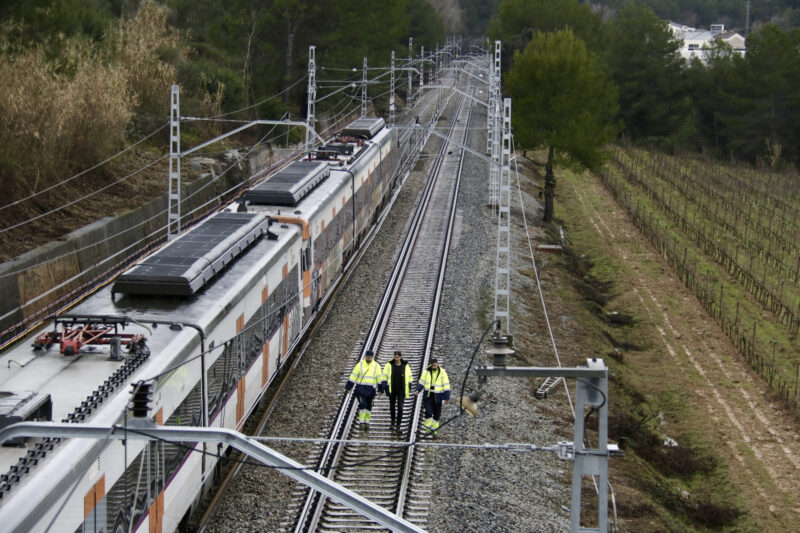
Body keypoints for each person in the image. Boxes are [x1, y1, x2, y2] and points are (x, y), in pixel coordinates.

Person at [345, 349, 382, 428]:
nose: (368, 358)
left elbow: (379, 378)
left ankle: (367, 422)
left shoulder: (376, 366)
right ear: (365, 356)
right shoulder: (360, 364)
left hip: (371, 389)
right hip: (360, 388)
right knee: (362, 404)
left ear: (372, 357)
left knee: (369, 405)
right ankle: (362, 422)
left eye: (370, 357)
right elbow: (353, 376)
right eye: (367, 357)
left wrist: (380, 389)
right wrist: (349, 387)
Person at [413, 358, 450, 435]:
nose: (434, 366)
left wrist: (446, 397)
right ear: (431, 364)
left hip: (438, 395)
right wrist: (417, 390)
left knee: (437, 413)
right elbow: (422, 382)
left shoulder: (442, 373)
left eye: (435, 364)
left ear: (437, 364)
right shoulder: (426, 372)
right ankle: (428, 428)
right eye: (433, 364)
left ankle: (434, 429)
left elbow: (446, 385)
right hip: (428, 395)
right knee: (428, 411)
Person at [379, 350, 412, 431]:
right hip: (392, 389)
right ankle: (393, 422)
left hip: (401, 390)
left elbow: (410, 377)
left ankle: (398, 425)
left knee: (400, 407)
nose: (396, 359)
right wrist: (384, 388)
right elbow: (384, 377)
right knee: (392, 407)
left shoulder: (405, 365)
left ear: (400, 357)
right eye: (395, 357)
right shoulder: (389, 365)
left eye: (397, 357)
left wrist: (409, 387)